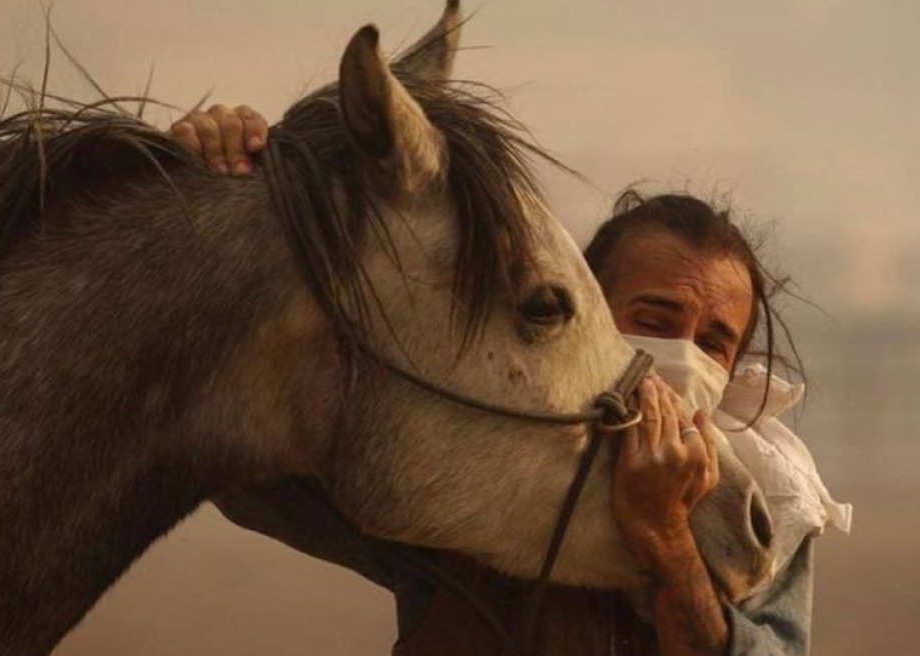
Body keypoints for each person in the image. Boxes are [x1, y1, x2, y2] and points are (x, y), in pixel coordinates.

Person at [170, 106, 837, 655]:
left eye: (714, 343)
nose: (682, 358)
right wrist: (205, 203)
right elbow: (243, 471)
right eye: (654, 320)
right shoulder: (493, 449)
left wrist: (665, 540)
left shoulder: (765, 500)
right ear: (593, 318)